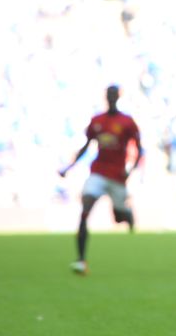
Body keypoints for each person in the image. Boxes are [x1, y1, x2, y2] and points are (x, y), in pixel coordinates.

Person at [59, 85, 142, 275]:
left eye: (114, 95)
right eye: (109, 95)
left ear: (118, 97)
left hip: (117, 176)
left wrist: (131, 171)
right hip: (98, 172)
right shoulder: (97, 121)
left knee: (119, 217)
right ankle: (81, 260)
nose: (111, 98)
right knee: (85, 209)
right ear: (106, 97)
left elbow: (139, 148)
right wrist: (69, 168)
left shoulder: (127, 122)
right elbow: (86, 147)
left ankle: (127, 214)